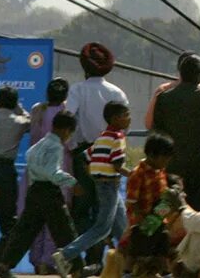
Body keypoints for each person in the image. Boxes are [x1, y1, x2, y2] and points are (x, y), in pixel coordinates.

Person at [0, 110, 78, 278]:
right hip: (50, 192)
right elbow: (52, 172)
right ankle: (77, 268)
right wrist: (72, 183)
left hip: (35, 190)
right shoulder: (55, 147)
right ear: (66, 130)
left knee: (25, 230)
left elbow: (29, 157)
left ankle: (4, 265)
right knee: (64, 231)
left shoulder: (39, 145)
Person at [52, 100, 131, 278]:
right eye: (126, 115)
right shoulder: (117, 137)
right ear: (115, 119)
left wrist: (96, 175)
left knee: (122, 227)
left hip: (104, 185)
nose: (129, 119)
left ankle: (129, 267)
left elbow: (85, 157)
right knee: (102, 228)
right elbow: (118, 164)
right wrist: (135, 175)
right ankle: (65, 255)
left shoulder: (103, 136)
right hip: (109, 185)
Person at [62, 44, 129, 249]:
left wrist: (73, 146)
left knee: (84, 209)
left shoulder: (77, 90)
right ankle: (121, 256)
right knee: (109, 211)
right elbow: (124, 129)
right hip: (111, 156)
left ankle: (87, 258)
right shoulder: (117, 93)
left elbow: (68, 118)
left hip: (85, 155)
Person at [154, 53, 200, 210]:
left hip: (172, 166)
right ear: (199, 75)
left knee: (167, 211)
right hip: (199, 168)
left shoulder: (164, 98)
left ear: (180, 73)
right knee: (199, 214)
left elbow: (157, 131)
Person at [25, 77, 73, 271]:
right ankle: (50, 260)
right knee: (57, 218)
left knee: (35, 217)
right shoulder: (66, 113)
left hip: (36, 169)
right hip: (60, 165)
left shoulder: (38, 110)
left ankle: (36, 259)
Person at [0, 86, 30, 271]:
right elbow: (30, 120)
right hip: (7, 171)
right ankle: (4, 258)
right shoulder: (20, 121)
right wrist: (18, 108)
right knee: (8, 219)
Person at [118, 133, 175, 278]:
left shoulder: (160, 171)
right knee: (135, 252)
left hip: (159, 219)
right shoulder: (138, 174)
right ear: (151, 155)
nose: (167, 161)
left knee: (162, 249)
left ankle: (167, 273)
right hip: (142, 222)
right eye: (164, 157)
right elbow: (132, 201)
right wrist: (143, 220)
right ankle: (127, 274)